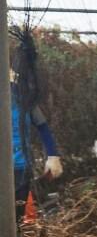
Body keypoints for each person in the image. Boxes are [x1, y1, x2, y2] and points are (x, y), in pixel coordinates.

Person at [10, 70, 62, 223]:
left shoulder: (23, 98)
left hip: (20, 166)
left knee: (17, 217)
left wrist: (53, 156)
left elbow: (43, 126)